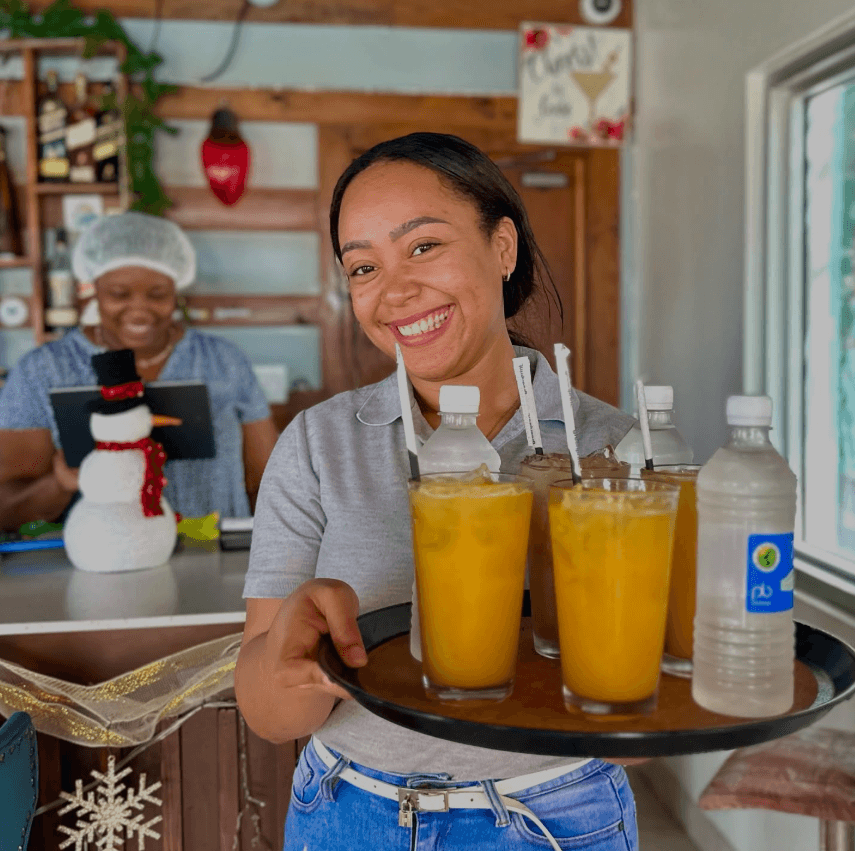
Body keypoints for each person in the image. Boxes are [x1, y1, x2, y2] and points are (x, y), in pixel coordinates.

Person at [236, 133, 639, 851]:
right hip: (343, 815)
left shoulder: (613, 449)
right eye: (363, 266)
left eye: (422, 246)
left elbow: (644, 733)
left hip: (551, 821)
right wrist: (290, 654)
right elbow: (269, 716)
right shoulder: (317, 442)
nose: (393, 291)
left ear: (503, 246)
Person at [0, 211, 279, 531]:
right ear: (95, 288)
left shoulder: (223, 361)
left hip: (213, 557)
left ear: (177, 290)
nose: (139, 308)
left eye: (158, 294)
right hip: (98, 567)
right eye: (119, 294)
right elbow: (7, 509)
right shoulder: (43, 371)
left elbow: (271, 481)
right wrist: (60, 483)